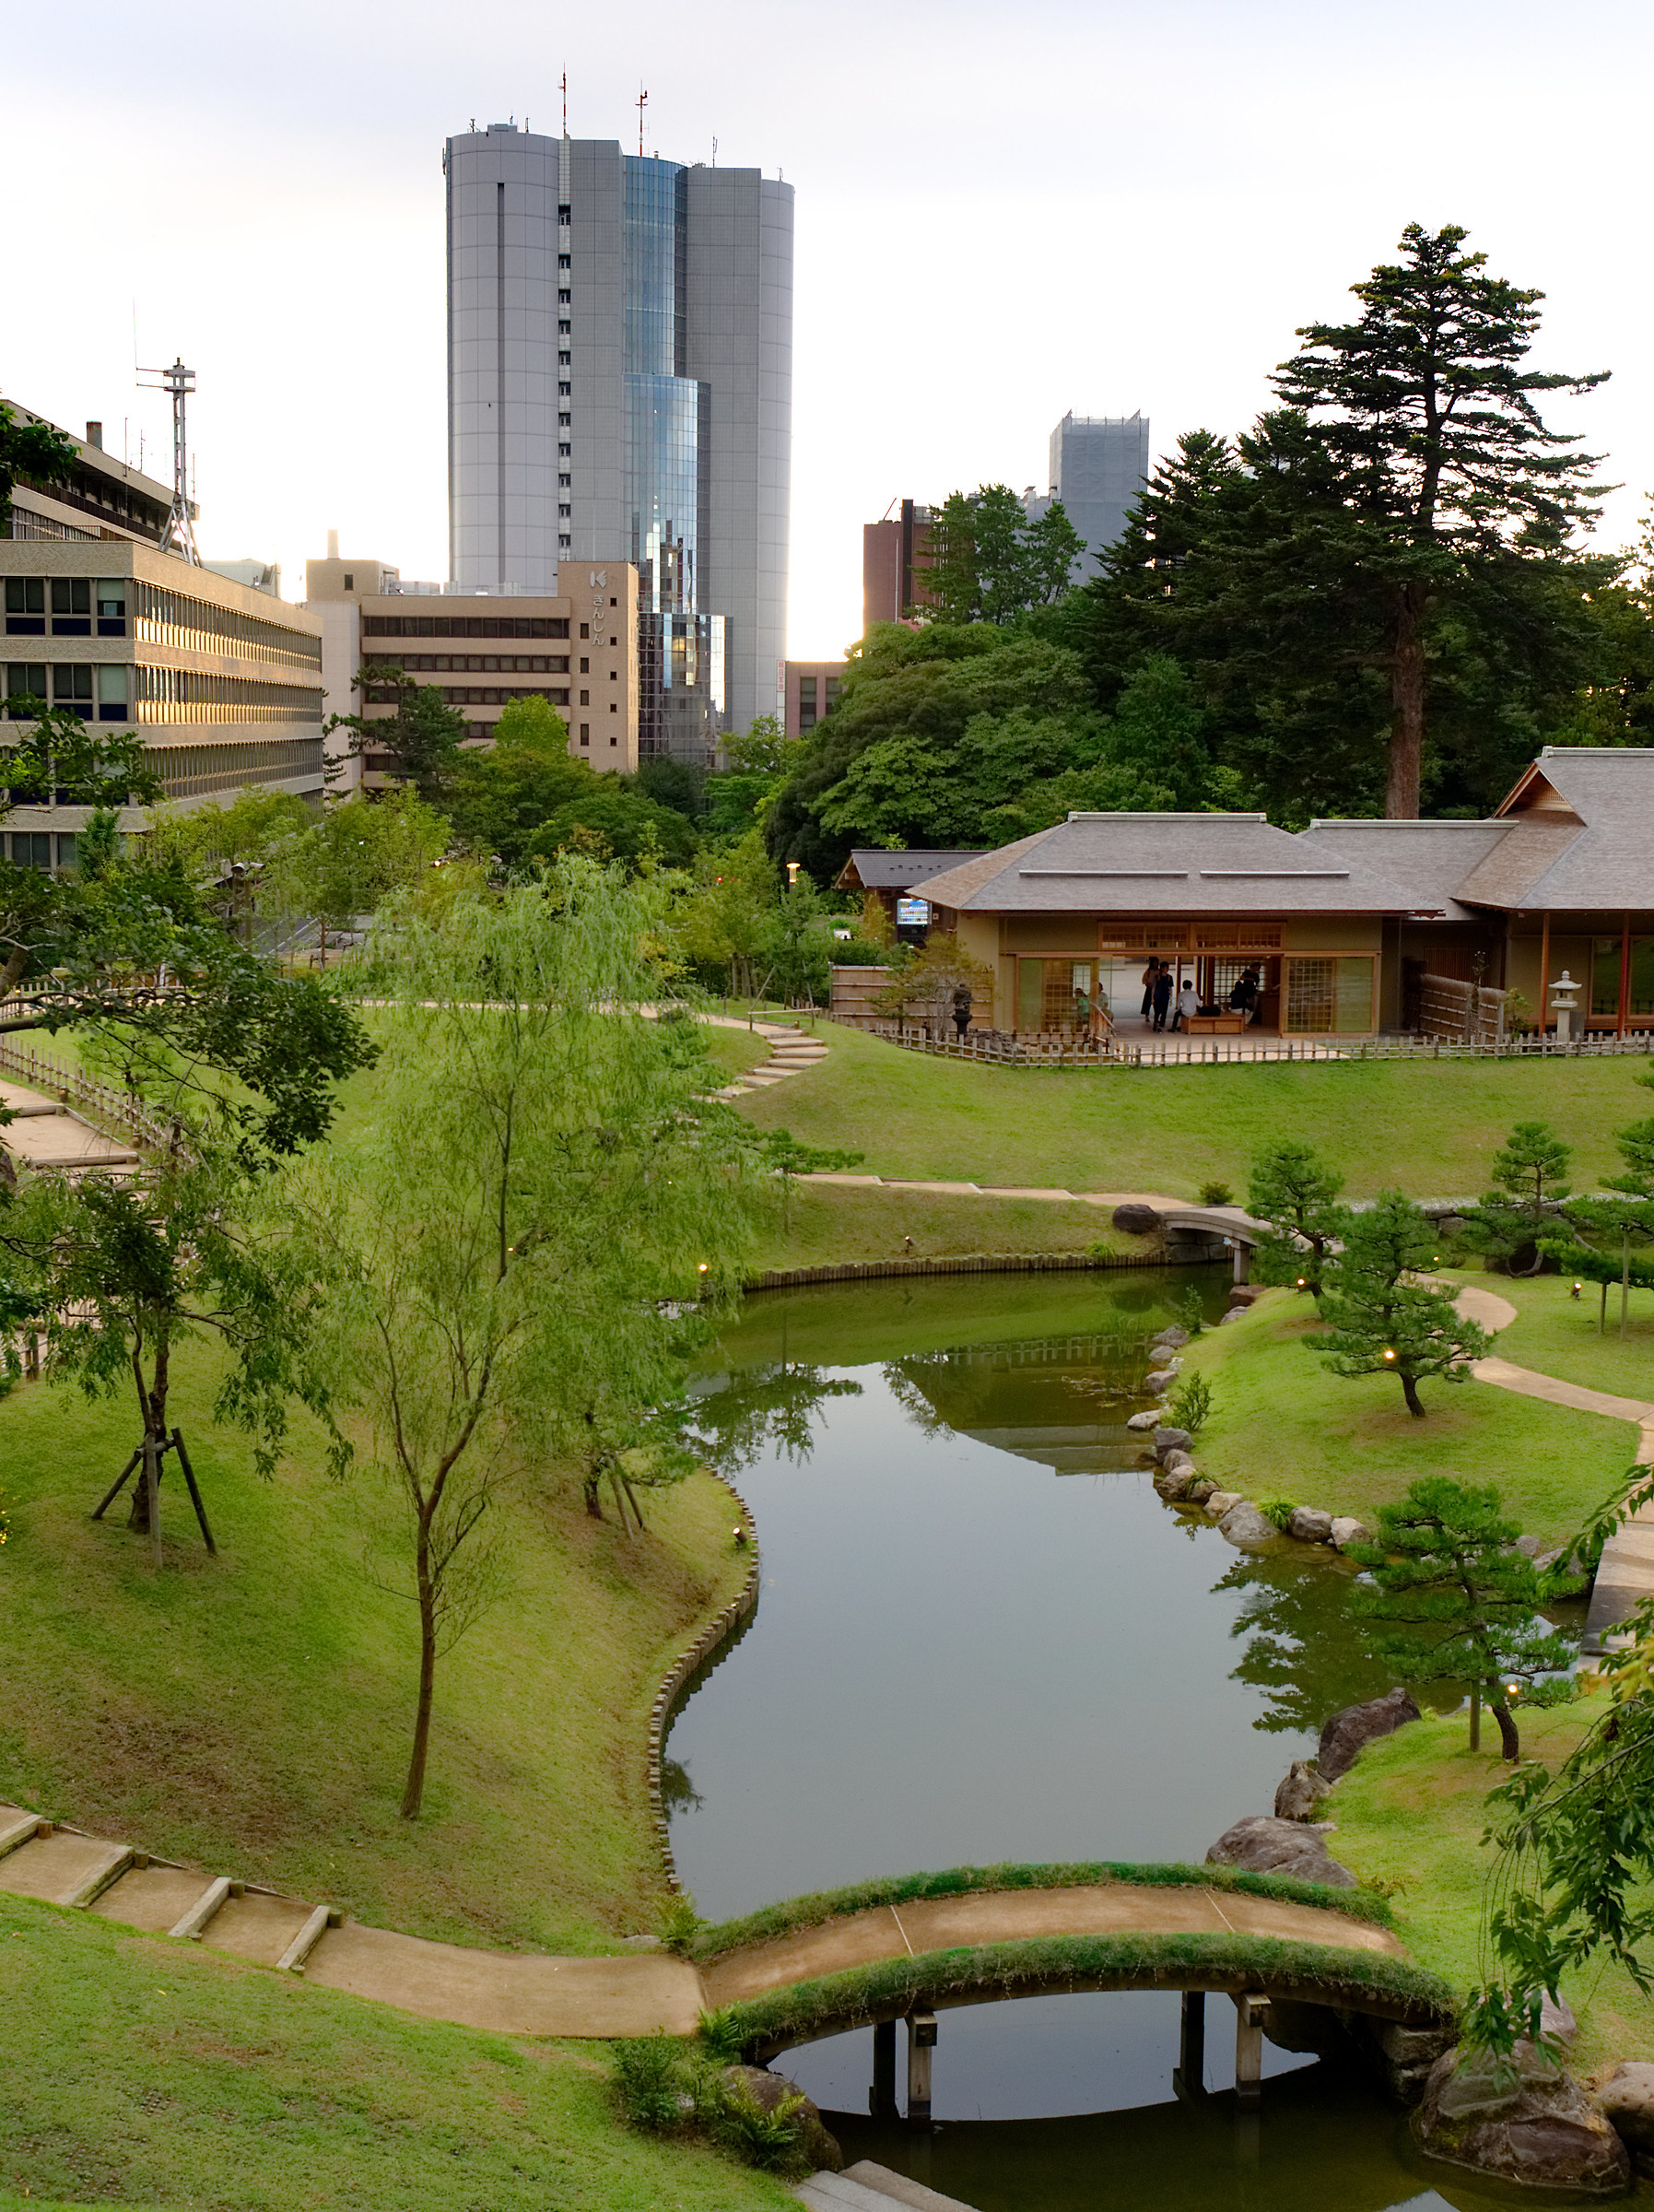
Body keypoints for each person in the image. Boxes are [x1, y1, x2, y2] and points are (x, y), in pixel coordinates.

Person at [1151, 965, 1174, 1032]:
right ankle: (1155, 1023)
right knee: (1157, 1012)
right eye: (1165, 968)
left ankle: (1161, 1025)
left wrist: (1171, 998)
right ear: (1161, 968)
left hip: (1165, 997)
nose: (1167, 969)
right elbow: (1153, 988)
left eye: (1167, 968)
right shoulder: (1157, 977)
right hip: (1158, 997)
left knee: (1164, 1012)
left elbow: (1170, 988)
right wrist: (1152, 998)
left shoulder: (1169, 977)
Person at [1140, 957, 1160, 1023]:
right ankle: (1146, 1016)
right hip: (1150, 988)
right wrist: (1147, 983)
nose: (1155, 963)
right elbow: (1144, 979)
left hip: (1157, 988)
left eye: (1156, 962)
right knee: (1147, 1003)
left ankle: (1157, 1017)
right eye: (1154, 962)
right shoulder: (1149, 971)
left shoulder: (1159, 971)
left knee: (1157, 1004)